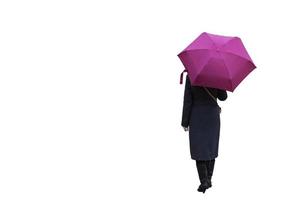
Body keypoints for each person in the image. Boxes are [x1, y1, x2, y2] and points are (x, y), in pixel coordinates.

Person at [181, 74, 227, 193]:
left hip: (197, 116)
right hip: (212, 116)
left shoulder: (191, 75)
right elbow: (223, 97)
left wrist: (185, 122)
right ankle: (209, 179)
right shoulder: (217, 74)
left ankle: (204, 181)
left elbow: (188, 100)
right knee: (211, 147)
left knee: (199, 148)